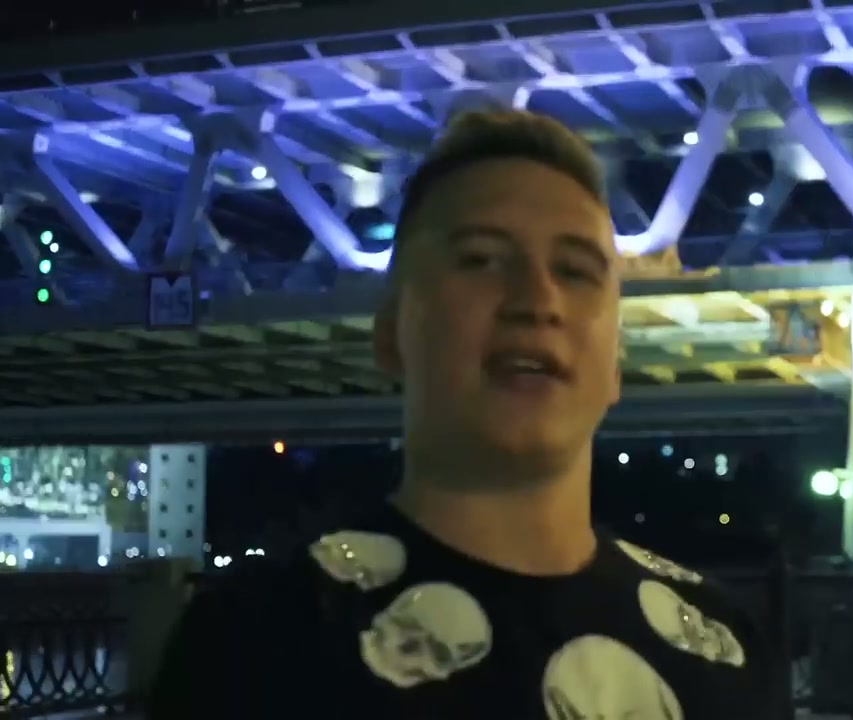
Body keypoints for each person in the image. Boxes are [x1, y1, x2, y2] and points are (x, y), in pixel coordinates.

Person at [147, 110, 792, 719]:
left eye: (575, 271)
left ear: (615, 364)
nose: (538, 300)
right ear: (390, 334)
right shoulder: (256, 644)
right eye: (481, 259)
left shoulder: (725, 646)